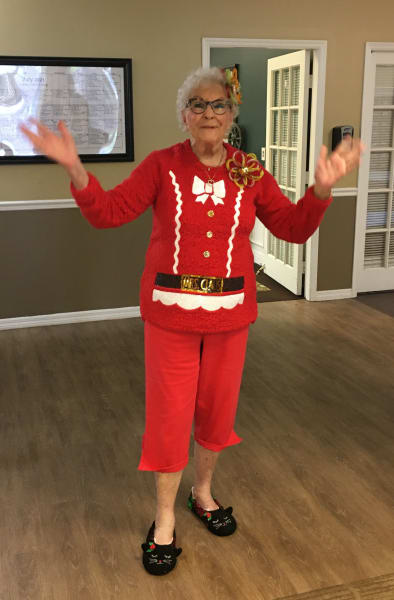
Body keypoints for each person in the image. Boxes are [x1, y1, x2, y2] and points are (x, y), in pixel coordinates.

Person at [20, 66, 364, 577]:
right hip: (170, 315)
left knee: (217, 412)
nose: (209, 113)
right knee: (169, 417)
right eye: (198, 105)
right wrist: (76, 171)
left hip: (231, 316)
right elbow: (109, 212)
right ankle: (163, 520)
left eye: (218, 105)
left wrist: (319, 189)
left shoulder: (248, 170)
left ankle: (202, 495)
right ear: (184, 116)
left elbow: (292, 230)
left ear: (231, 115)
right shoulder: (162, 166)